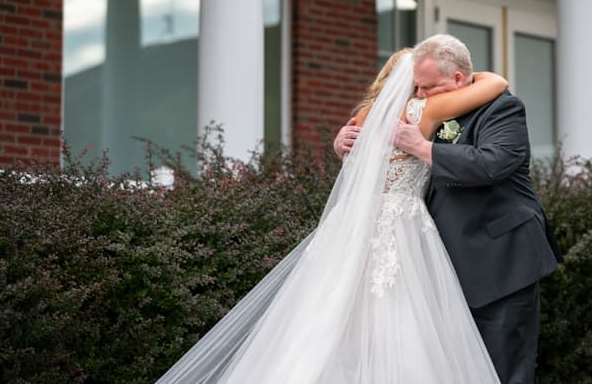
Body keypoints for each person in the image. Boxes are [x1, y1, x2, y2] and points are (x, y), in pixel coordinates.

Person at [157, 47, 509, 383]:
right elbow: (497, 84)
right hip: (401, 223)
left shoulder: (362, 117)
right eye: (418, 80)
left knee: (331, 312)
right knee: (399, 316)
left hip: (350, 224)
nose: (422, 88)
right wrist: (458, 74)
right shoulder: (425, 110)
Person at [336, 35, 563, 384]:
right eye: (417, 87)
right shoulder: (426, 109)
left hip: (499, 258)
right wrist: (347, 145)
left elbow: (493, 163)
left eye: (428, 87)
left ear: (458, 79)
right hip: (437, 264)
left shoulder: (501, 108)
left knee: (504, 367)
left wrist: (425, 149)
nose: (421, 95)